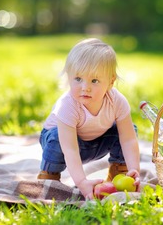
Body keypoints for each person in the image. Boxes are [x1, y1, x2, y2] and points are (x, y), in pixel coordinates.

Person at [37, 38, 140, 200]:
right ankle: (49, 176)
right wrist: (81, 181)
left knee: (130, 130)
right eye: (78, 79)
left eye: (94, 80)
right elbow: (69, 149)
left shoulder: (117, 102)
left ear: (111, 82)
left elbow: (128, 140)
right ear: (69, 77)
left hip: (95, 141)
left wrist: (135, 169)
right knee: (56, 138)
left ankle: (120, 172)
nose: (85, 87)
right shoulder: (68, 105)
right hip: (64, 144)